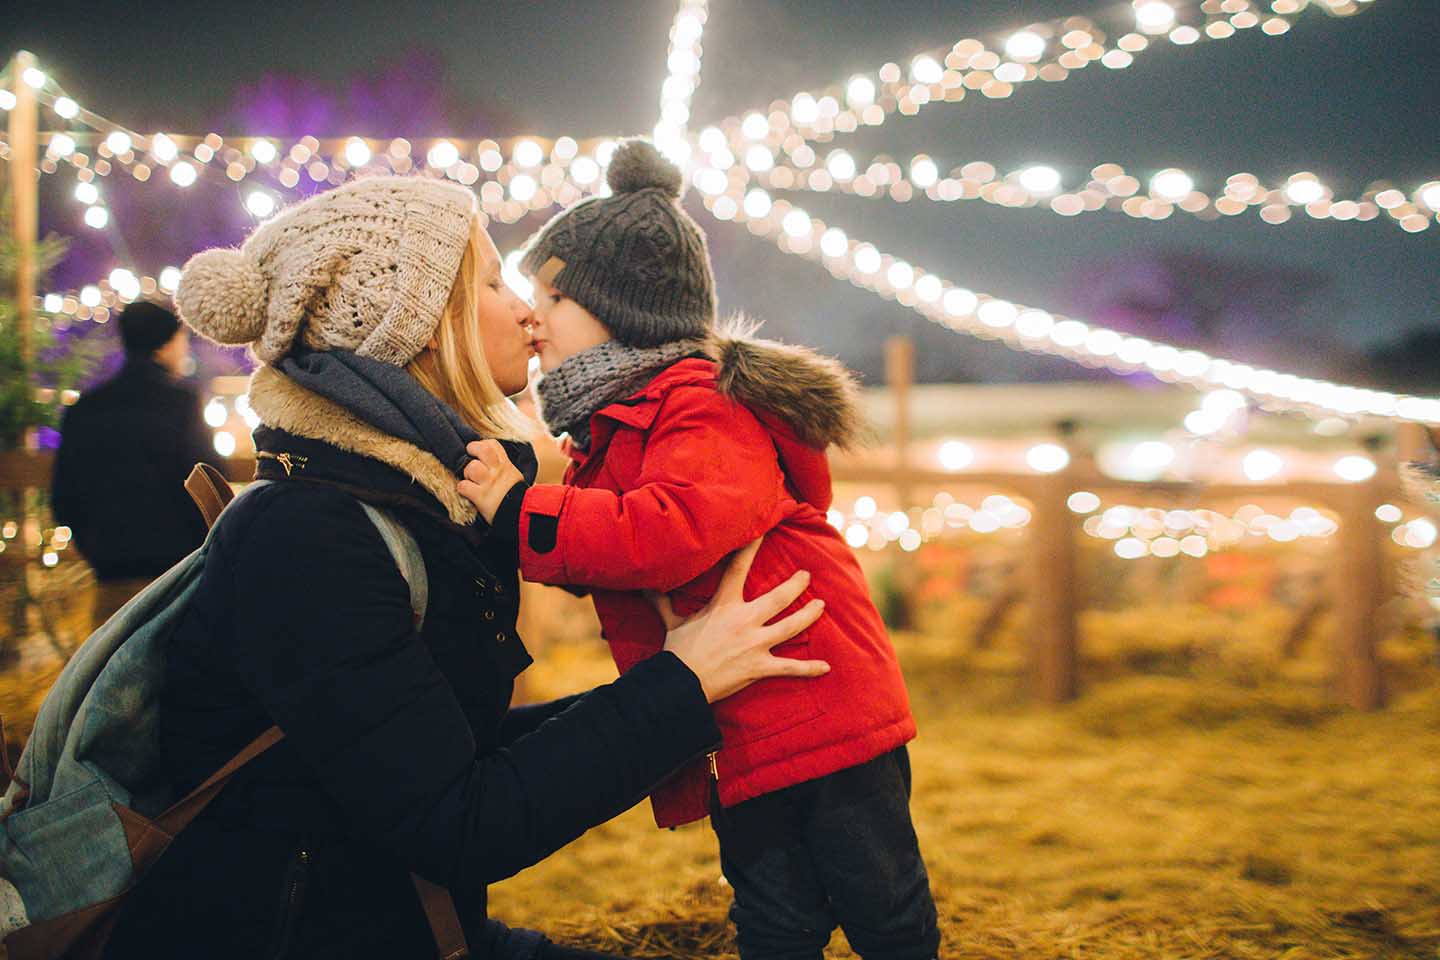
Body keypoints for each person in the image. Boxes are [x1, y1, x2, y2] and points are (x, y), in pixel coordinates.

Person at [99, 176, 827, 960]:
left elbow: (447, 747)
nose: (526, 311)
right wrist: (681, 685)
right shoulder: (308, 536)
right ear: (415, 325)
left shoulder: (404, 503)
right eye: (492, 281)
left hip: (408, 931)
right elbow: (461, 822)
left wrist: (689, 688)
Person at [459, 141, 939, 960]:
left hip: (818, 701)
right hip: (734, 716)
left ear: (623, 309)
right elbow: (611, 553)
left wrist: (521, 513)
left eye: (553, 296)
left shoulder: (699, 405)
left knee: (881, 901)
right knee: (773, 911)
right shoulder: (612, 426)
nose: (533, 317)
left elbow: (667, 532)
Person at [51, 300, 222, 626]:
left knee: (112, 653)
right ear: (165, 343)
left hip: (110, 570)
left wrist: (94, 547)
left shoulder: (86, 408)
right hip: (174, 575)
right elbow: (207, 480)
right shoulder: (182, 404)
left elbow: (65, 494)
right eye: (182, 339)